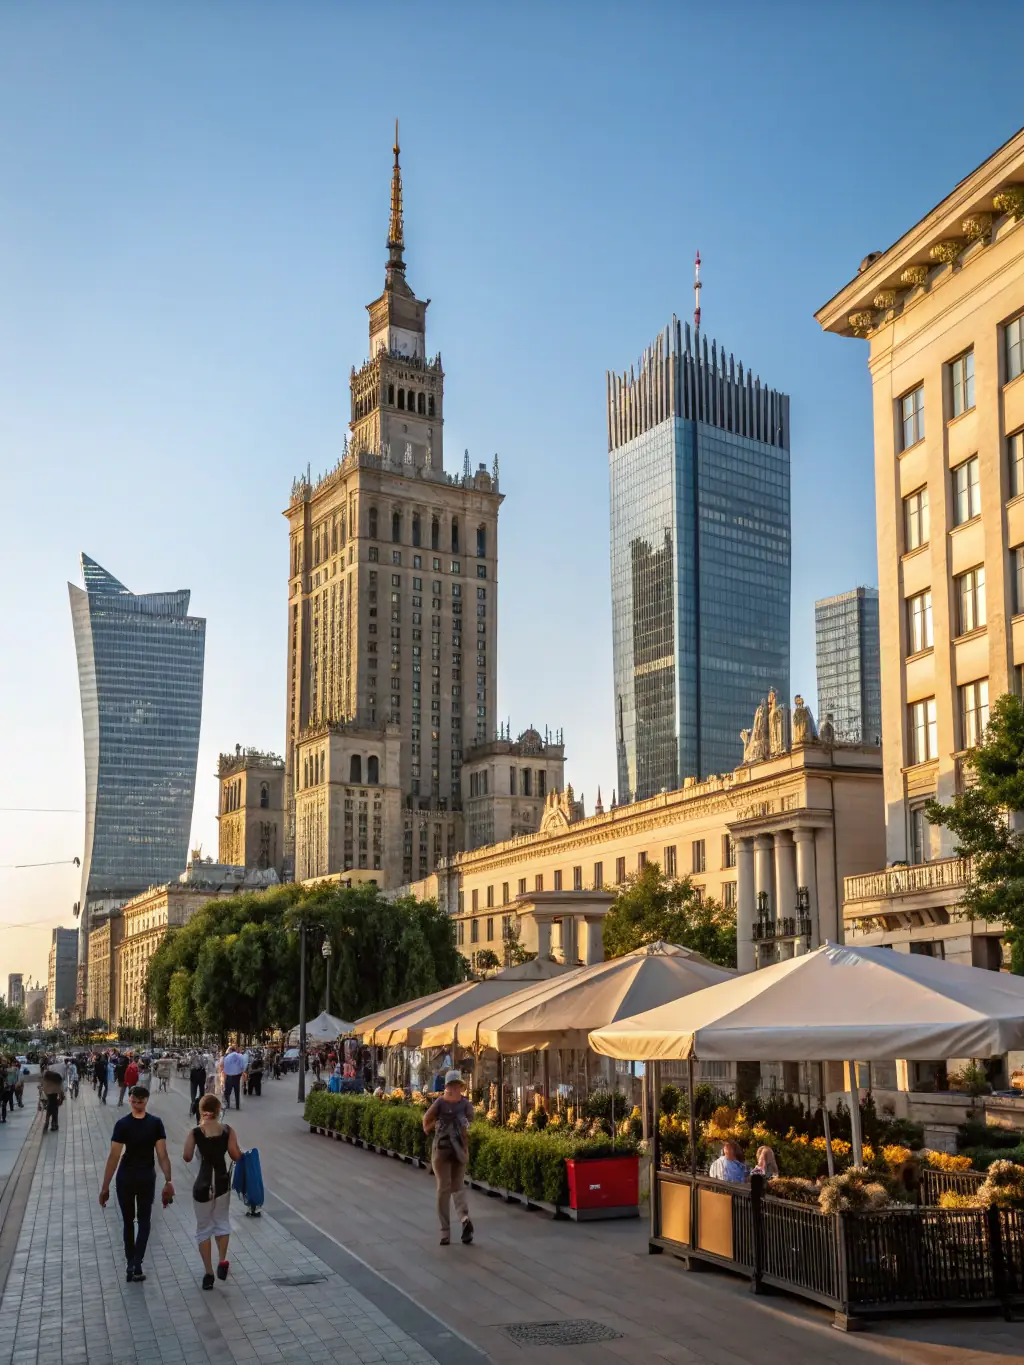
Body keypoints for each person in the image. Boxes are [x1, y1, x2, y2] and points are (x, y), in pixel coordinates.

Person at [99, 1086, 174, 1283]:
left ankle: (132, 1262)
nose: (137, 1103)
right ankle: (136, 1262)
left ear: (145, 1101)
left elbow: (115, 1156)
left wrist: (169, 1180)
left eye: (139, 1101)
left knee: (130, 1222)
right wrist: (168, 1180)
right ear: (131, 1100)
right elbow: (162, 1155)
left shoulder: (123, 1124)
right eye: (135, 1100)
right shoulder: (154, 1123)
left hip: (126, 1177)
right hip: (144, 1177)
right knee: (143, 1220)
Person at [183, 1094, 243, 1290]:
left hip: (202, 1185)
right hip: (222, 1183)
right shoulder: (227, 1130)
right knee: (222, 1223)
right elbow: (235, 1155)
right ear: (219, 1111)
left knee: (203, 1229)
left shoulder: (195, 1132)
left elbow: (186, 1156)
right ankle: (222, 1260)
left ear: (201, 1111)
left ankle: (208, 1274)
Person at [422, 1069, 475, 1246]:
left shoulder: (440, 1103)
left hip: (442, 1150)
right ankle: (464, 1219)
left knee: (443, 1189)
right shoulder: (466, 1104)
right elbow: (470, 1124)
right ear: (459, 1086)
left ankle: (445, 1232)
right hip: (459, 1150)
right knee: (457, 1187)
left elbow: (425, 1122)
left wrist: (435, 1125)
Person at [40, 1069, 65, 1134]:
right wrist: (61, 1097)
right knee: (55, 1111)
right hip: (55, 1097)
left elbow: (44, 1089)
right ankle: (54, 1125)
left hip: (50, 1098)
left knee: (48, 1112)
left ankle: (46, 1125)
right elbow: (60, 1088)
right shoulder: (56, 1079)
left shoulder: (46, 1079)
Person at [221, 1046, 246, 1111]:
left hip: (229, 1076)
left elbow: (225, 1068)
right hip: (237, 1076)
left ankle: (227, 1105)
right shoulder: (240, 1056)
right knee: (237, 1091)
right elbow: (242, 1066)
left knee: (227, 1092)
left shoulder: (227, 1057)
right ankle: (237, 1106)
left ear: (230, 1050)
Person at [1, 1057, 18, 1122]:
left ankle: (4, 1117)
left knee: (4, 1103)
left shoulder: (9, 1070)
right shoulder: (6, 1069)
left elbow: (12, 1078)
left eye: (4, 1061)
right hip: (6, 1087)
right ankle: (3, 1117)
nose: (3, 1062)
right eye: (3, 1061)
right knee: (4, 1103)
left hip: (7, 1088)